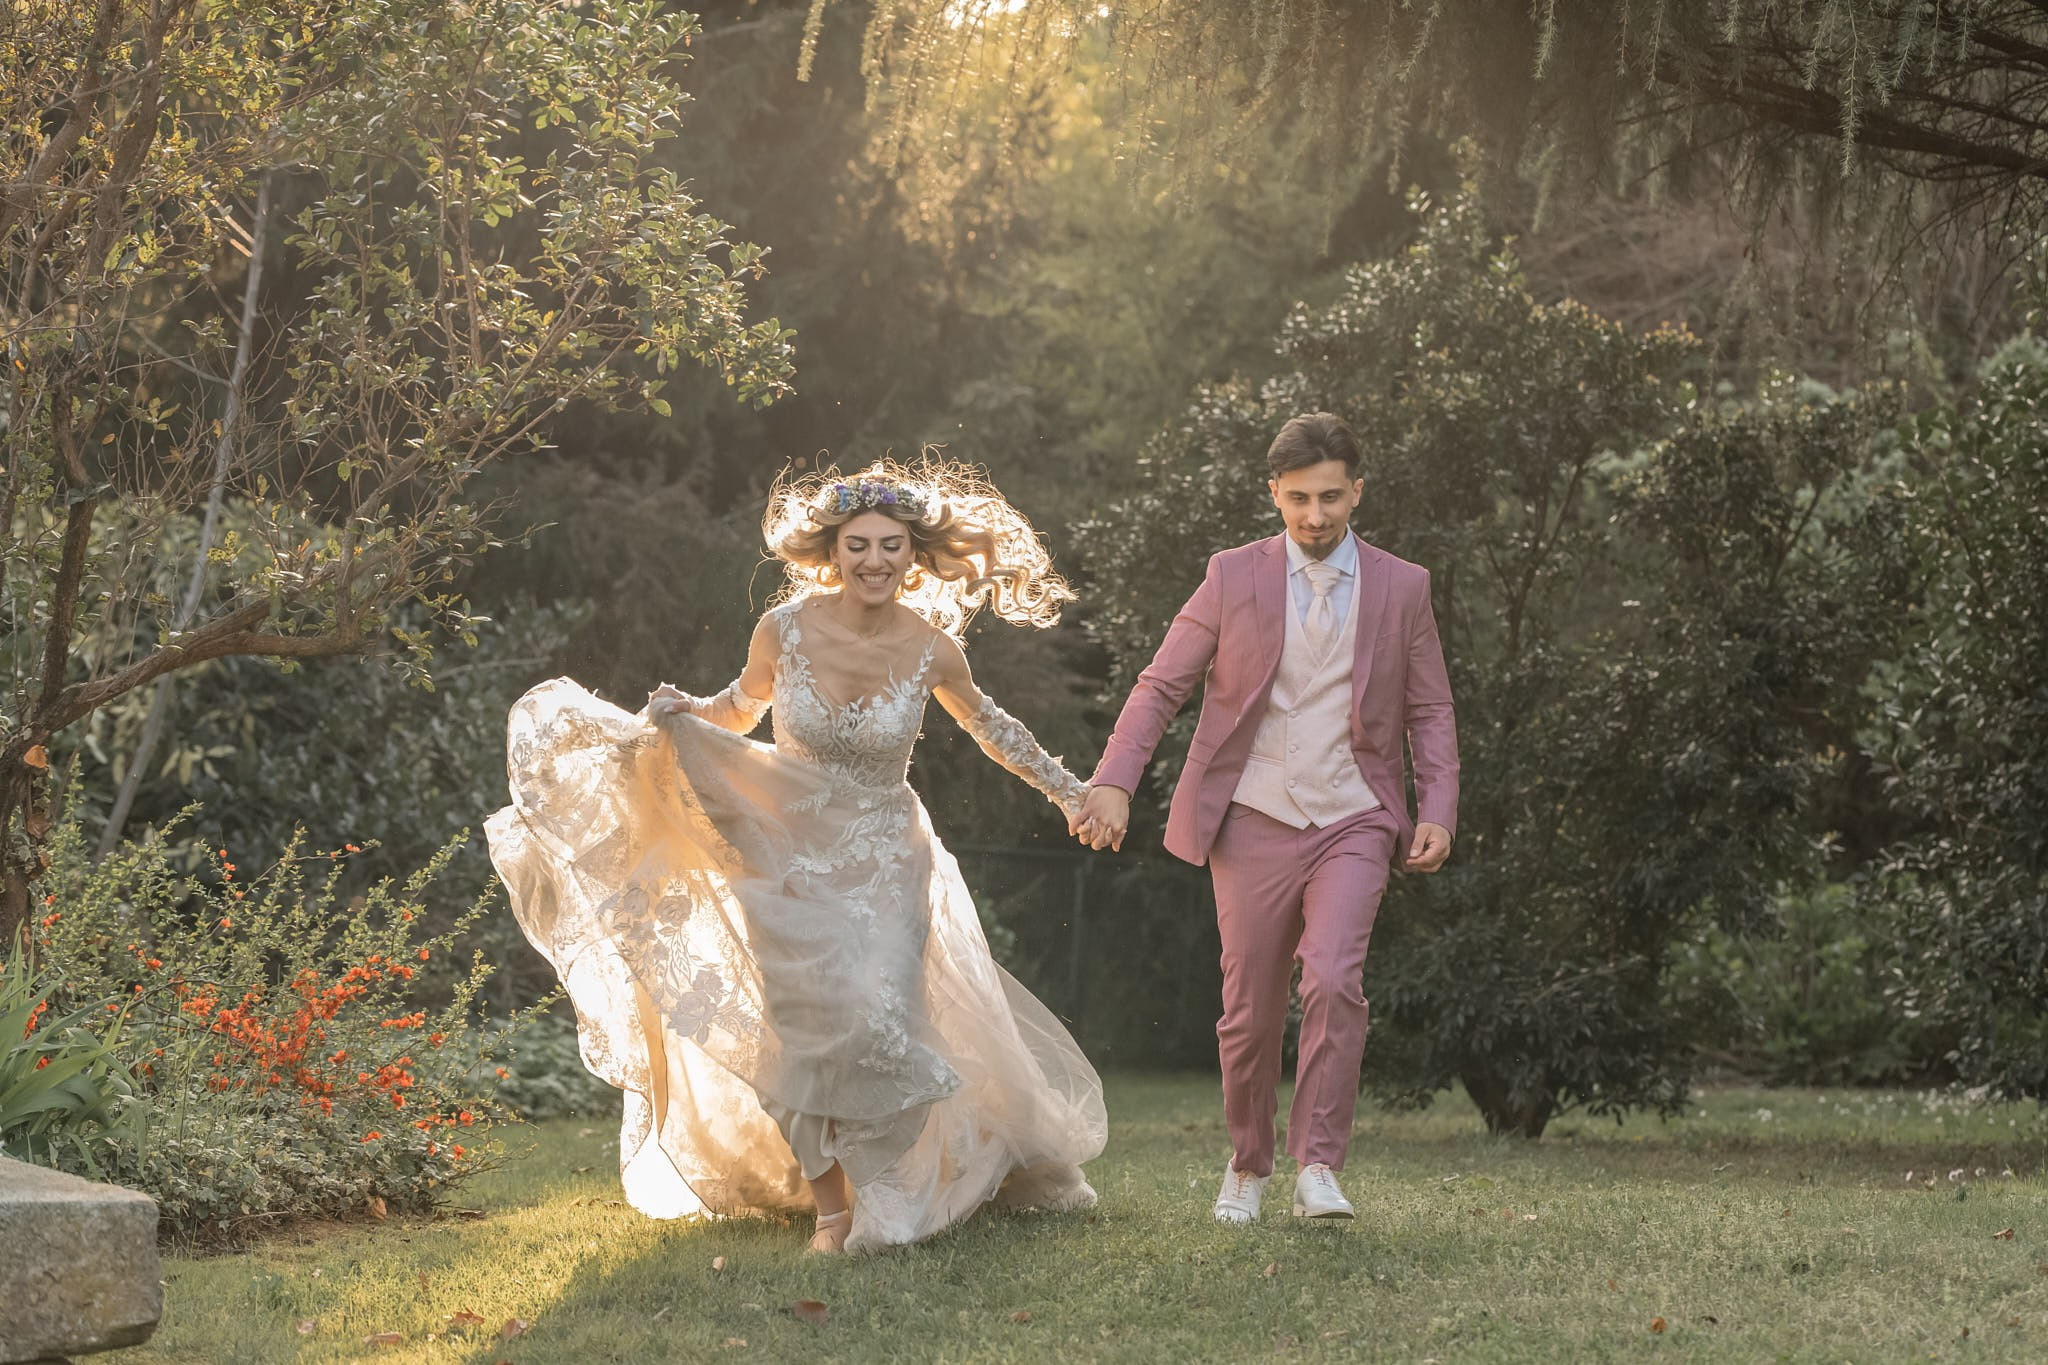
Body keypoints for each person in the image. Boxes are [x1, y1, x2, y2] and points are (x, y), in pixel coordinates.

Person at [487, 457, 1107, 1255]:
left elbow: (994, 728)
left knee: (878, 1014)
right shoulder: (782, 629)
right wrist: (686, 714)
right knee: (799, 1024)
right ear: (832, 552)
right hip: (784, 853)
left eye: (890, 545)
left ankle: (894, 1190)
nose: (875, 560)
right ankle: (832, 1208)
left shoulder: (932, 647)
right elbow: (742, 707)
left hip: (885, 857)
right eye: (859, 545)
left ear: (913, 555)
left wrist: (1069, 790)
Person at [1071, 412, 1458, 1225]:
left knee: (1333, 978)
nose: (1315, 516)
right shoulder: (1231, 575)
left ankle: (1319, 1164)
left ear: (1357, 489)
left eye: (1330, 497)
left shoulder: (1403, 585)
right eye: (1298, 499)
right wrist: (1114, 780)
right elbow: (1160, 686)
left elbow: (1430, 710)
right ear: (1272, 494)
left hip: (1355, 813)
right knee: (1249, 1008)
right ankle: (1248, 1163)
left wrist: (1439, 809)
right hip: (1253, 812)